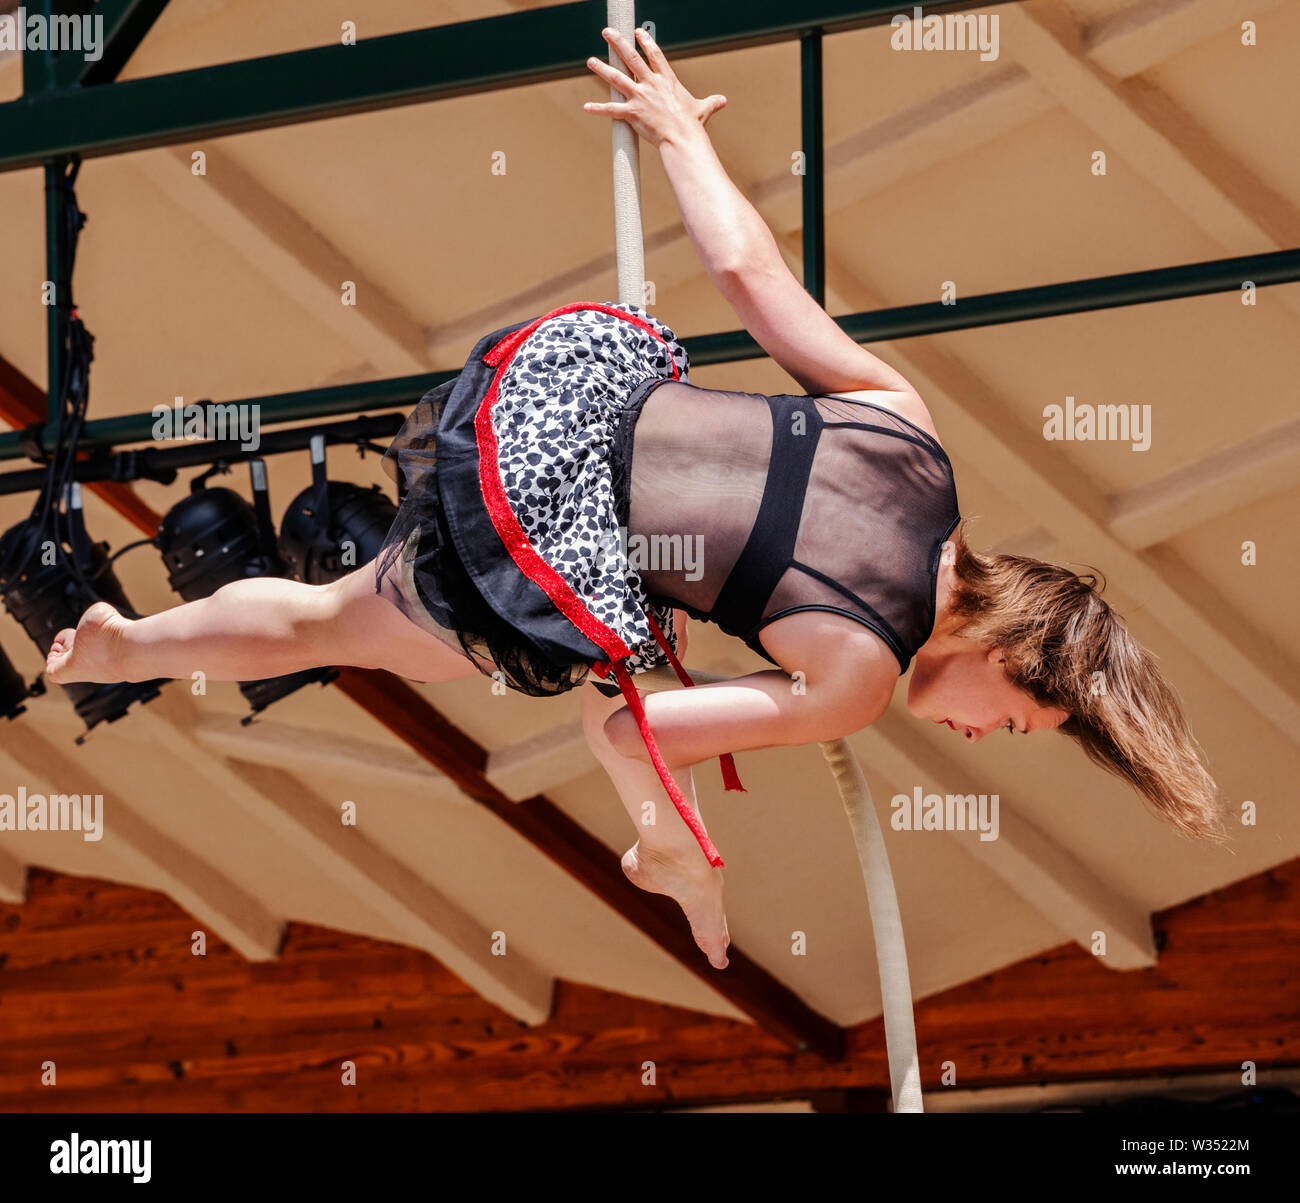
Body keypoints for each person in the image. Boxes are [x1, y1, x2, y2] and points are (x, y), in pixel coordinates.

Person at [44, 27, 1220, 972]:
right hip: (550, 528)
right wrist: (683, 858)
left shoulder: (910, 432)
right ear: (1013, 652)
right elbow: (628, 733)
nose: (978, 736)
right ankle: (125, 646)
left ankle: (126, 642)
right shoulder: (856, 678)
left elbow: (751, 277)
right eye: (1009, 722)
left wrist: (675, 134)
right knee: (348, 631)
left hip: (549, 407)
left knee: (368, 622)